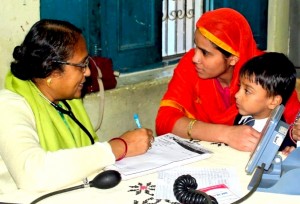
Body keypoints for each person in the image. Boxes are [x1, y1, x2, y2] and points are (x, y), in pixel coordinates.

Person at [0, 19, 154, 194]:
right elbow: (33, 175)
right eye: (81, 65)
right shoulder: (8, 106)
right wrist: (118, 147)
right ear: (51, 69)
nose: (88, 72)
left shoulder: (67, 102)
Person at [155, 8, 300, 152]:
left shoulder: (264, 74)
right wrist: (226, 134)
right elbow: (164, 122)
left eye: (205, 53)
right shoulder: (190, 66)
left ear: (232, 59)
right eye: (196, 47)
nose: (195, 58)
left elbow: (295, 123)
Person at [234, 52, 299, 155]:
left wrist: (289, 154)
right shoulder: (241, 117)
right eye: (239, 87)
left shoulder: (281, 136)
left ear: (273, 101)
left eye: (247, 91)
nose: (237, 95)